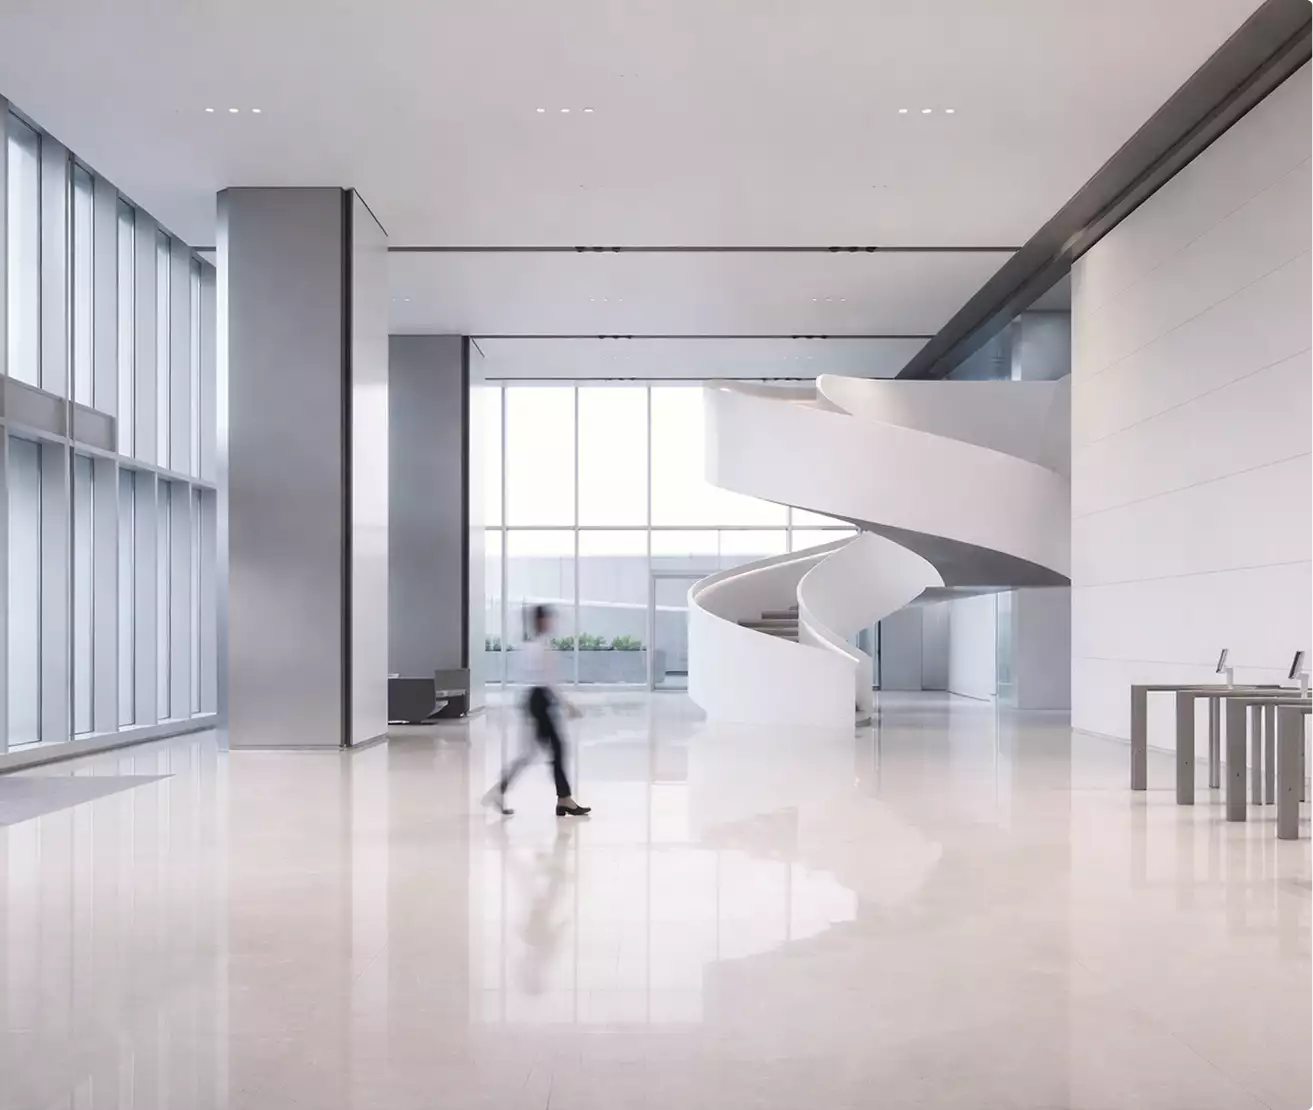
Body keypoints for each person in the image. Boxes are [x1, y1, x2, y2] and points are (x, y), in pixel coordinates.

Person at [483, 604, 591, 817]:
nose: (553, 623)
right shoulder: (542, 647)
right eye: (549, 619)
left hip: (532, 699)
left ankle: (502, 790)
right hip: (540, 699)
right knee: (556, 748)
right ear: (541, 622)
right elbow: (549, 681)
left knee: (533, 752)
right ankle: (564, 800)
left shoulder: (528, 646)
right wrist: (568, 705)